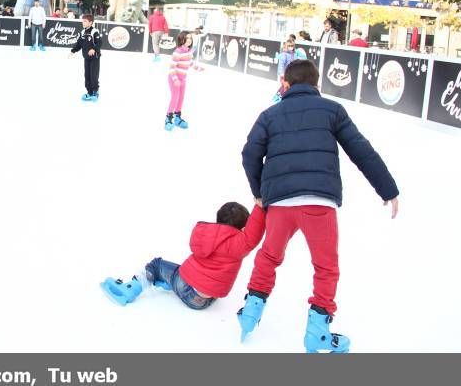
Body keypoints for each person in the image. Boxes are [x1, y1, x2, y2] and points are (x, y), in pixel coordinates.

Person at [237, 59, 399, 353]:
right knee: (326, 267)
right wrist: (387, 189)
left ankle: (250, 312)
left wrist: (259, 192)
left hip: (281, 203)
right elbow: (361, 150)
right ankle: (318, 333)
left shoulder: (269, 115)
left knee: (269, 256)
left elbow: (249, 154)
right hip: (319, 203)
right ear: (317, 85)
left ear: (285, 84)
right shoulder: (332, 110)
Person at [101, 200, 265, 309]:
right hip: (204, 301)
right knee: (186, 272)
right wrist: (259, 206)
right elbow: (254, 233)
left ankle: (131, 289)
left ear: (218, 219)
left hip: (185, 286)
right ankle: (170, 283)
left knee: (157, 265)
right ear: (244, 227)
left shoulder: (203, 232)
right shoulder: (240, 245)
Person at [165, 31, 194, 131]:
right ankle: (168, 119)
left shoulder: (189, 51)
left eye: (190, 38)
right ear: (182, 39)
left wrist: (198, 68)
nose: (189, 40)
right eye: (187, 38)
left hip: (183, 79)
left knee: (181, 98)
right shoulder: (178, 52)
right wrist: (175, 79)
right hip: (174, 79)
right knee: (175, 98)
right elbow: (172, 67)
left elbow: (190, 62)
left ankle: (177, 118)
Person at [71, 14, 102, 101]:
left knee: (93, 75)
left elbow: (99, 43)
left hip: (94, 58)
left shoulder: (94, 32)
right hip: (86, 58)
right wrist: (73, 50)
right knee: (87, 75)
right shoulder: (83, 32)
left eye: (85, 21)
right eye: (82, 21)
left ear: (91, 22)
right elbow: (79, 44)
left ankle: (95, 92)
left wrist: (93, 49)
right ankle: (89, 92)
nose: (83, 23)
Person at [273, 38, 296, 103]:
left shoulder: (293, 54)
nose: (291, 47)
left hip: (291, 74)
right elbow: (281, 64)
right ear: (286, 46)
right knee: (285, 86)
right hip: (284, 74)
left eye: (292, 46)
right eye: (289, 46)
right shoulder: (284, 55)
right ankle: (280, 98)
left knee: (287, 86)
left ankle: (283, 98)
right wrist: (281, 73)